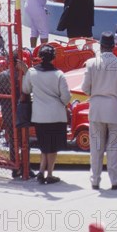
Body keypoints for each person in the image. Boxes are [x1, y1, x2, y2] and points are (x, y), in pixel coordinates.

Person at [81, 31, 117, 190]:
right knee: (113, 147)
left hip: (96, 109)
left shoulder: (91, 63)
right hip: (115, 109)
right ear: (113, 46)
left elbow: (85, 88)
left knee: (96, 146)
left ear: (100, 46)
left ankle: (95, 180)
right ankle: (115, 180)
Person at [22, 44, 71, 184]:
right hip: (56, 115)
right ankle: (49, 174)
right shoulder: (59, 74)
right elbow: (66, 98)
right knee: (53, 147)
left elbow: (26, 89)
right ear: (53, 58)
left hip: (39, 116)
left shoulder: (32, 73)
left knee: (44, 145)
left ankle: (41, 171)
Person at [0, 51, 35, 179]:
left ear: (8, 61)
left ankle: (15, 166)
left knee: (13, 140)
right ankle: (26, 167)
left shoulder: (2, 76)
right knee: (25, 140)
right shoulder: (22, 75)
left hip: (8, 111)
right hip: (22, 110)